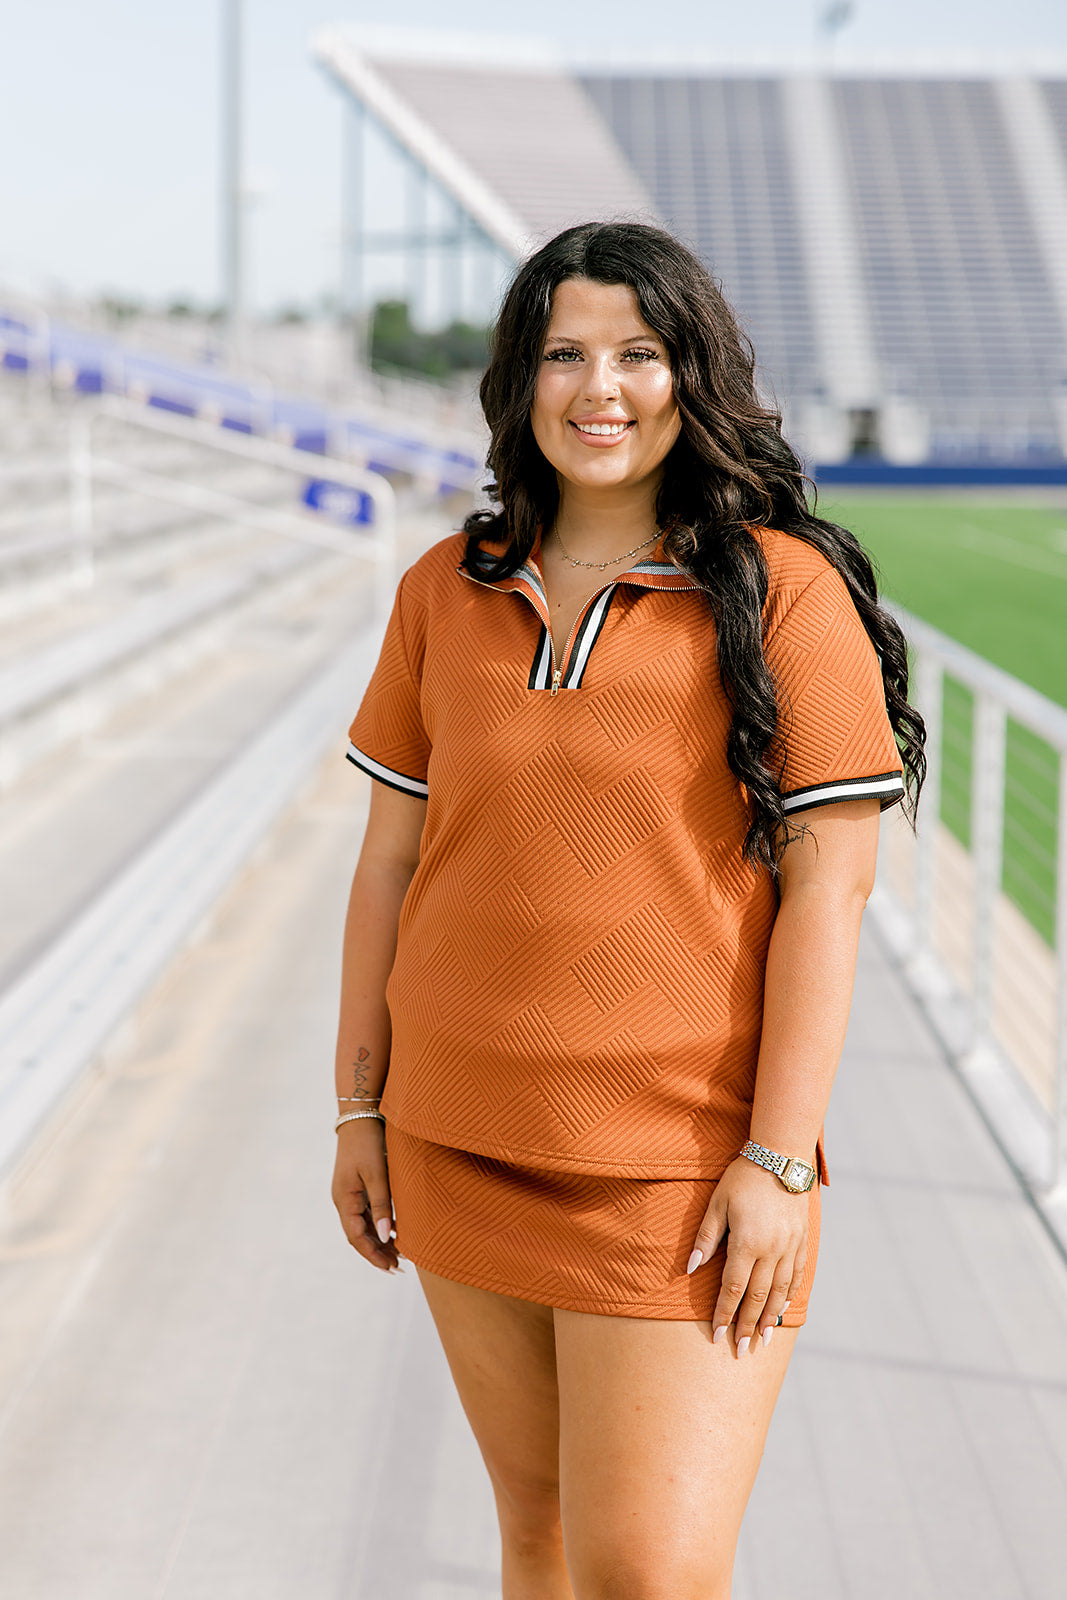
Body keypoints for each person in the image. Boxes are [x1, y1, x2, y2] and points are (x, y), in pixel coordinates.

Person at [331, 221, 925, 1600]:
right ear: (518, 382)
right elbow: (385, 866)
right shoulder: (445, 590)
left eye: (639, 354)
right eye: (564, 354)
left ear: (691, 376)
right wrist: (359, 1109)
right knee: (535, 1541)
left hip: (681, 1175)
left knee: (647, 1573)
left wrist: (779, 1164)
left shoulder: (783, 594)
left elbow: (832, 890)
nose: (600, 389)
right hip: (454, 1136)